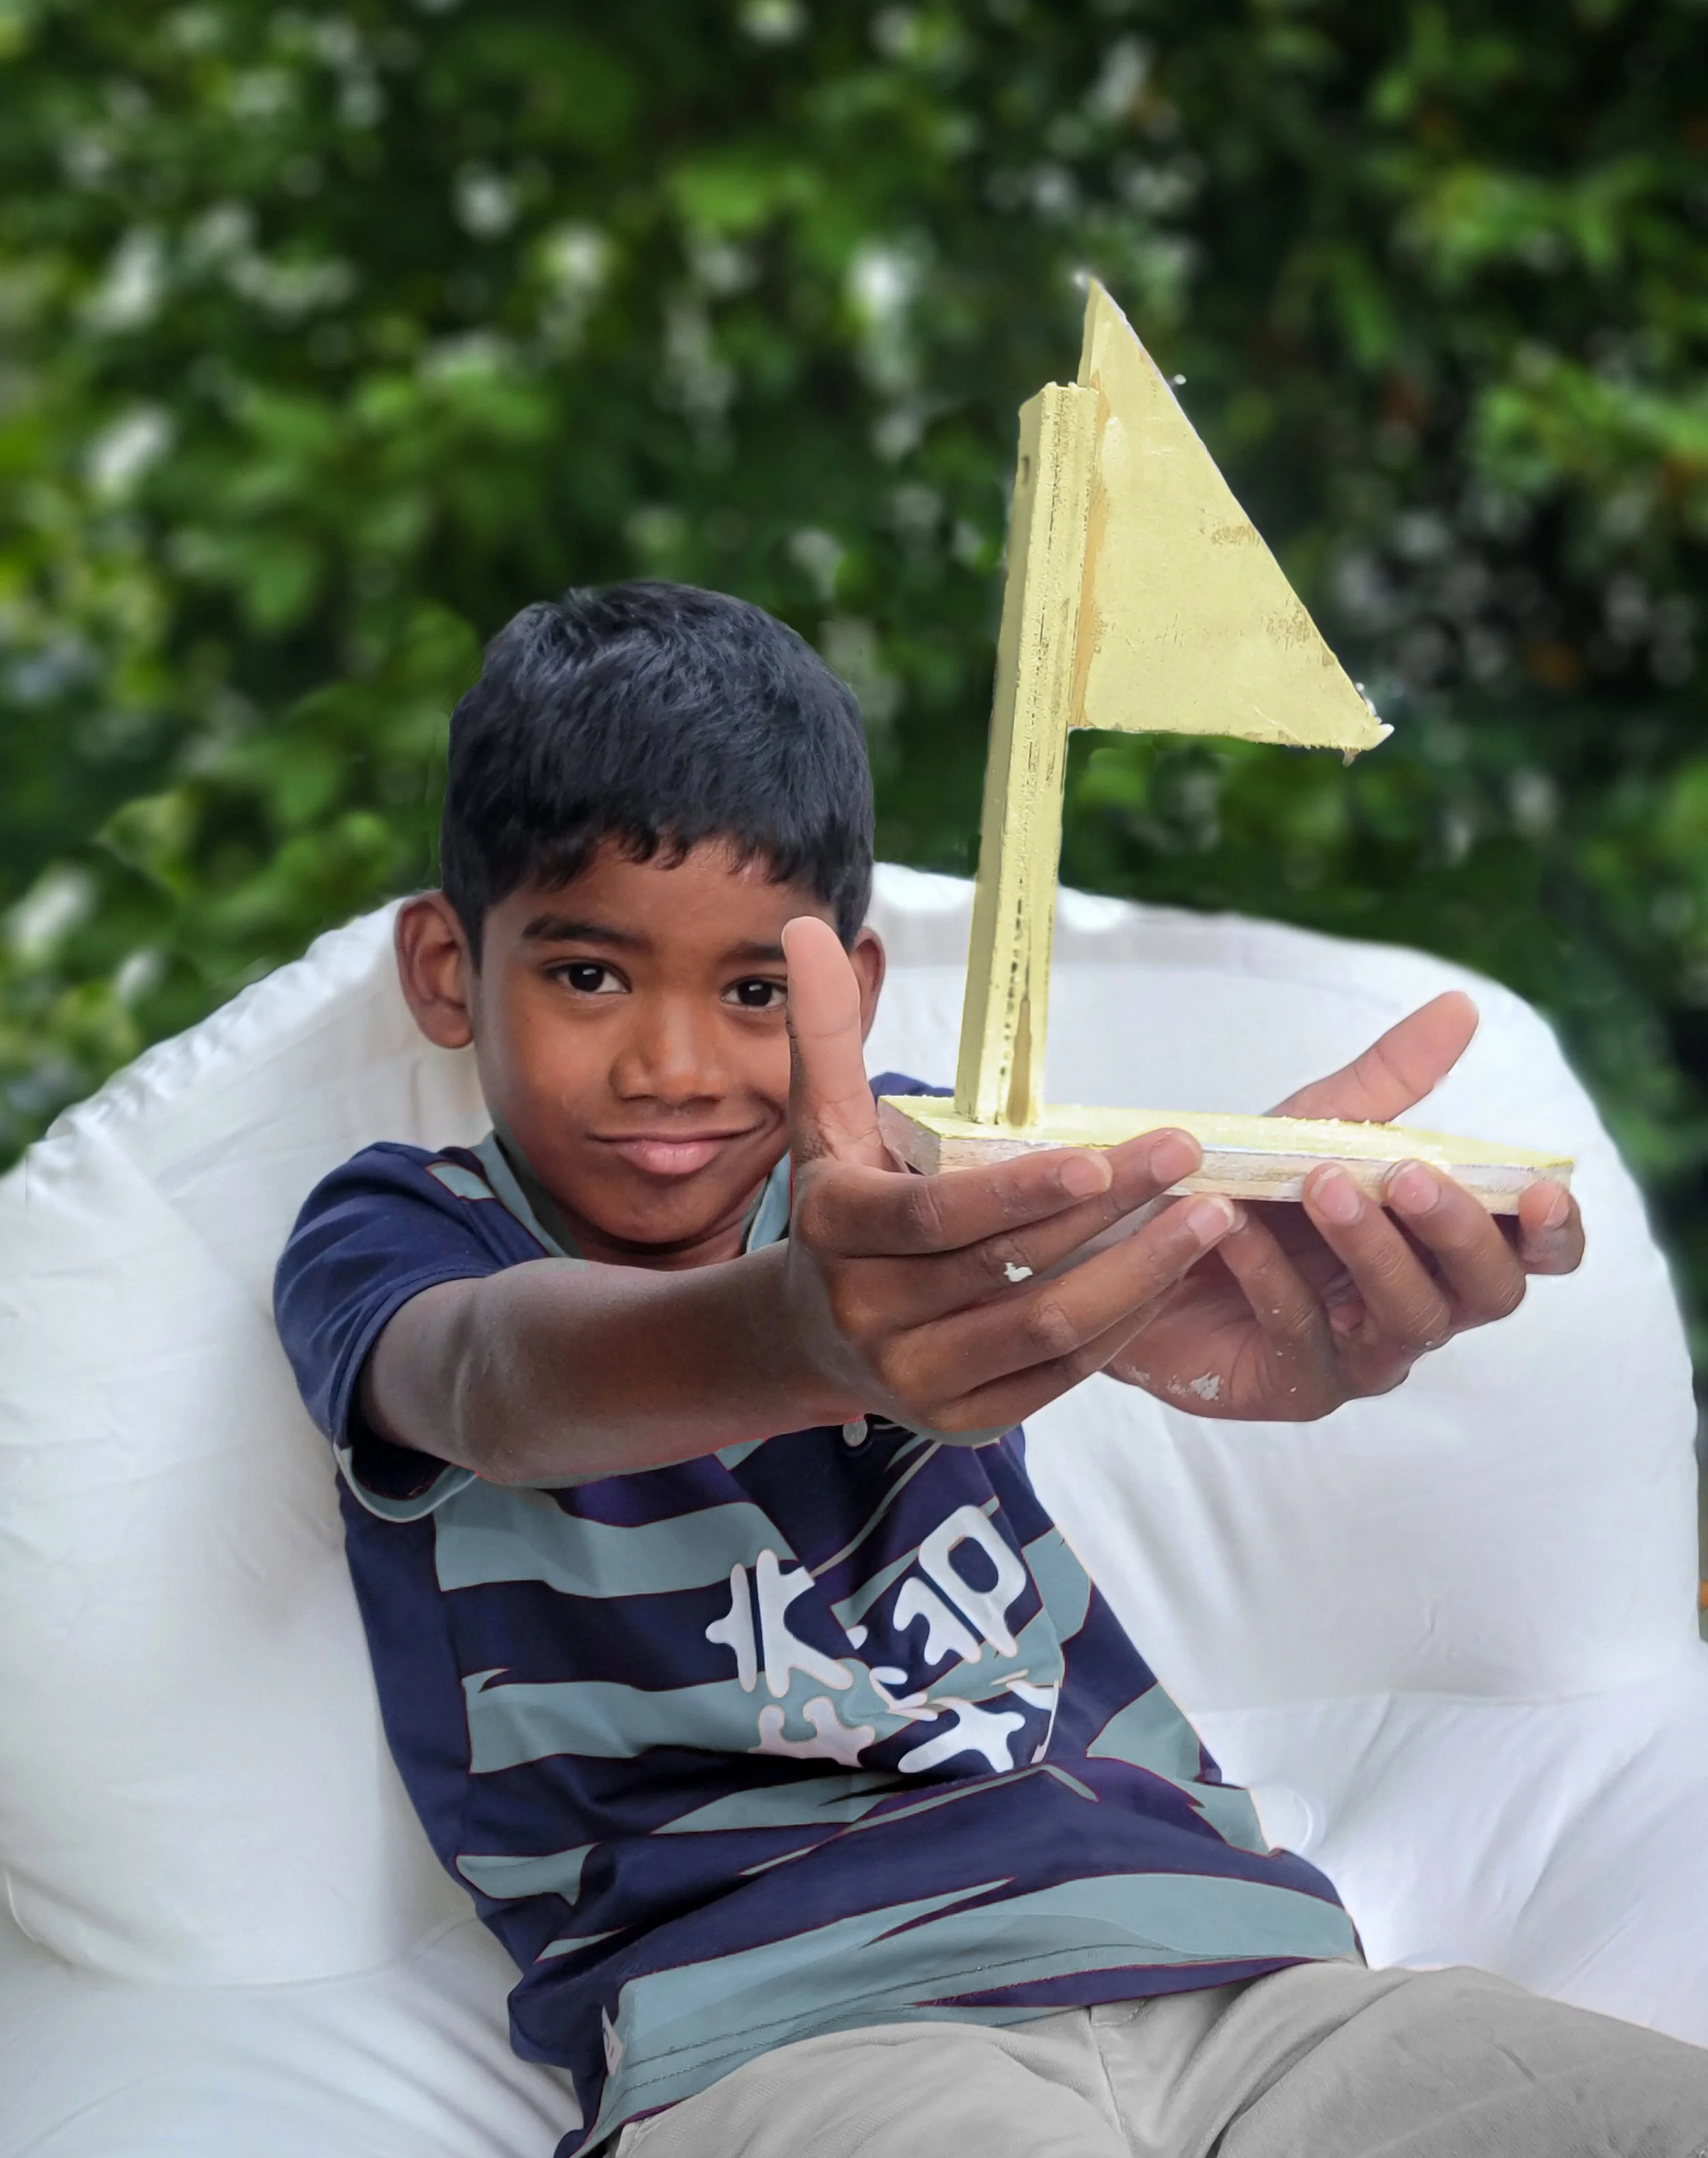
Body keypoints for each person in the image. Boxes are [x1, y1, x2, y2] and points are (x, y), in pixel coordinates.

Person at [273, 582, 1706, 2158]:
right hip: (787, 2027)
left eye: (753, 990)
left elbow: (1069, 1247)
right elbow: (494, 1381)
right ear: (445, 968)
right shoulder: (402, 1233)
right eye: (590, 976)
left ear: (849, 992)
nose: (670, 1065)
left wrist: (1214, 1267)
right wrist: (800, 1334)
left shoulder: (905, 1181)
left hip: (1232, 1968)